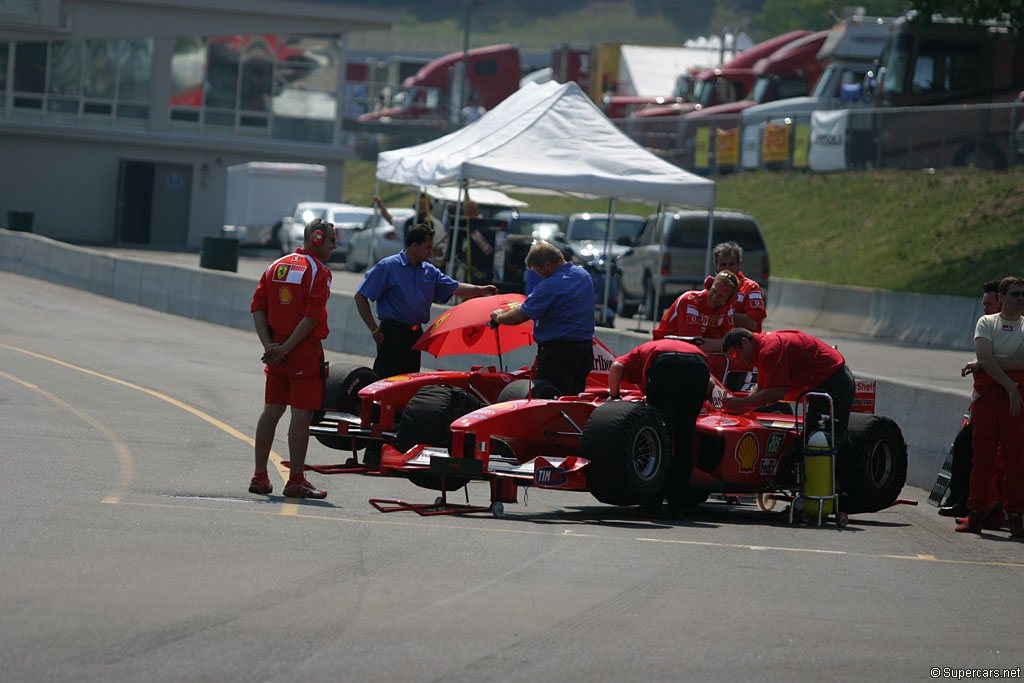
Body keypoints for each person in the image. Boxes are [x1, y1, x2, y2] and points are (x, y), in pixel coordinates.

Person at [249, 218, 337, 499]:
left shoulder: (276, 265)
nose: (335, 246)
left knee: (271, 411)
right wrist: (286, 348)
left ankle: (259, 476)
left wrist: (271, 347)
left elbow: (258, 308)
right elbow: (311, 318)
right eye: (332, 240)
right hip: (301, 351)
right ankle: (296, 479)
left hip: (276, 351)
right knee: (301, 414)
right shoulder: (319, 271)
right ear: (317, 238)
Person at [354, 223, 497, 379]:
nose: (431, 252)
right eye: (428, 247)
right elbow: (360, 296)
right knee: (385, 379)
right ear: (414, 245)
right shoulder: (388, 266)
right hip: (393, 334)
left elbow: (455, 288)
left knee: (409, 382)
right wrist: (375, 331)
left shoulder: (429, 271)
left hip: (415, 336)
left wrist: (480, 289)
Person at [607, 338, 711, 514]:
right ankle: (678, 505)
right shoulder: (686, 349)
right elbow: (710, 385)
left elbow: (616, 367)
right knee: (685, 438)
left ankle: (653, 502)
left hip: (667, 364)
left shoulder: (639, 352)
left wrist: (614, 395)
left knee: (660, 436)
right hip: (700, 365)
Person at [956, 276, 1024, 537]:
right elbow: (985, 355)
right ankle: (976, 513)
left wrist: (987, 364)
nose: (1021, 299)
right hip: (994, 396)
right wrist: (1007, 383)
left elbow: (1016, 360)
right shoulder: (987, 322)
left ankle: (1016, 515)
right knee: (982, 456)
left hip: (1016, 401)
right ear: (1003, 298)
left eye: (1023, 295)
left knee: (1015, 459)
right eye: (1015, 294)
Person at [490, 241, 595, 396]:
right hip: (584, 350)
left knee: (550, 398)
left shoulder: (551, 285)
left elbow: (519, 316)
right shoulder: (584, 276)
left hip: (559, 354)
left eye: (538, 271)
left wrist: (498, 317)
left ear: (547, 264)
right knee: (574, 399)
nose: (539, 276)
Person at [720, 327, 855, 446]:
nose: (736, 362)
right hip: (822, 385)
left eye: (735, 355)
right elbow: (761, 389)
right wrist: (741, 409)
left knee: (825, 440)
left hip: (834, 383)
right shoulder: (761, 349)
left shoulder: (769, 350)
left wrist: (740, 403)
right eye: (732, 360)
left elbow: (776, 393)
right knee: (808, 439)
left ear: (745, 342)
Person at [939, 279, 1003, 517]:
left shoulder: (1013, 329)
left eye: (990, 303)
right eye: (983, 304)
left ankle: (972, 502)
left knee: (972, 448)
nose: (985, 308)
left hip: (1004, 400)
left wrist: (980, 363)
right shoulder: (990, 325)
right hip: (986, 399)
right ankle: (960, 497)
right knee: (966, 445)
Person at [701, 240, 766, 332]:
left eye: (731, 264)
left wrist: (722, 313)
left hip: (742, 343)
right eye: (723, 265)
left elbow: (752, 323)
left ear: (739, 263)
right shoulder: (712, 286)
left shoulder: (751, 287)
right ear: (716, 264)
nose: (728, 269)